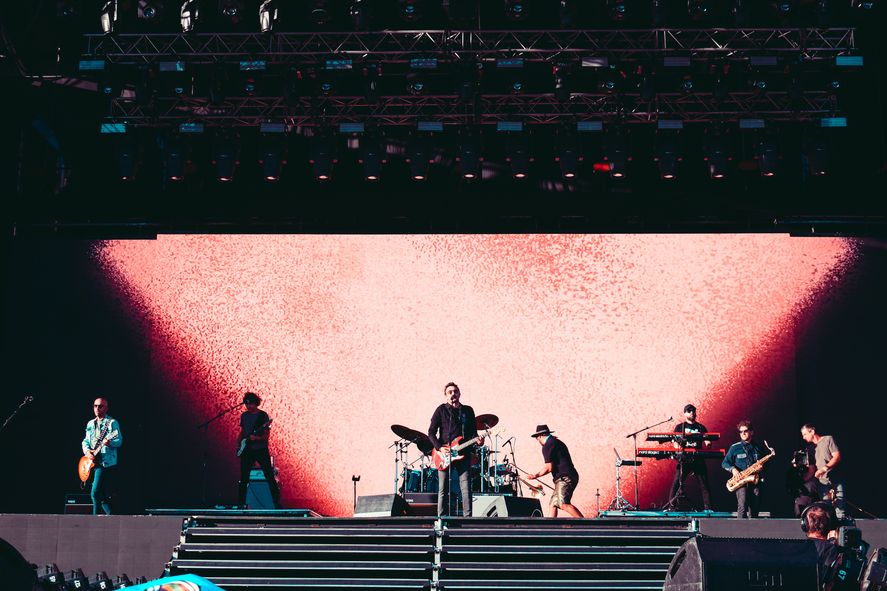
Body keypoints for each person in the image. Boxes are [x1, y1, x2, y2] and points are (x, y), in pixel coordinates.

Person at [428, 382, 482, 517]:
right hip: (444, 454)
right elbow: (431, 432)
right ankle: (441, 519)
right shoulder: (441, 410)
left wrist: (479, 441)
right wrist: (439, 448)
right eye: (450, 392)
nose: (453, 394)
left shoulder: (467, 411)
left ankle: (467, 519)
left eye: (455, 391)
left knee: (466, 488)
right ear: (446, 395)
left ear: (459, 393)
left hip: (463, 453)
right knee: (443, 489)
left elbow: (473, 433)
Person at [527, 424, 584, 517]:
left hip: (565, 478)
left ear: (541, 435)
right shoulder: (555, 442)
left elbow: (549, 467)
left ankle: (586, 526)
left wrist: (535, 475)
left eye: (537, 438)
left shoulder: (548, 445)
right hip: (567, 477)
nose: (537, 440)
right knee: (553, 504)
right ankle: (549, 529)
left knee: (563, 504)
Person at [237, 392, 282, 509]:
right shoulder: (244, 416)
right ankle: (240, 504)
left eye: (251, 404)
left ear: (256, 403)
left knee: (269, 476)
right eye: (246, 404)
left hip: (260, 449)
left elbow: (266, 436)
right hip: (247, 450)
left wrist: (256, 438)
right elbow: (242, 432)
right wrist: (239, 444)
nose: (248, 406)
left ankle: (276, 503)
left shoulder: (263, 416)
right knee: (244, 478)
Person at [665, 404, 712, 511]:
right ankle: (671, 507)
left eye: (693, 410)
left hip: (698, 458)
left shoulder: (701, 427)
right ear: (685, 413)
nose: (692, 412)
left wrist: (708, 442)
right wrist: (679, 448)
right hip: (684, 459)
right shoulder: (679, 427)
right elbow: (675, 443)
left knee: (704, 484)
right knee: (676, 482)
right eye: (689, 410)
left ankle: (708, 508)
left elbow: (708, 441)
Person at [81, 397, 123, 515]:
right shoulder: (90, 423)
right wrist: (87, 452)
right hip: (93, 461)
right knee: (102, 495)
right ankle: (112, 517)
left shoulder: (112, 423)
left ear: (106, 408)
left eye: (101, 406)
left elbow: (119, 441)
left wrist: (110, 442)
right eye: (95, 406)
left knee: (95, 492)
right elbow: (85, 441)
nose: (97, 408)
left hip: (105, 462)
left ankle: (95, 520)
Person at [721, 419, 768, 518]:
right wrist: (733, 469)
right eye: (741, 432)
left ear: (751, 432)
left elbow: (766, 464)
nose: (743, 433)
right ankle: (740, 532)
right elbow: (725, 463)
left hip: (755, 481)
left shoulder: (758, 448)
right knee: (742, 506)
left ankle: (752, 531)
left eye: (745, 431)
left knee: (755, 508)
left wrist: (762, 468)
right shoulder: (734, 448)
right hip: (741, 481)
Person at [801, 423, 845, 518]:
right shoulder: (810, 449)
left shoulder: (828, 439)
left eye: (805, 434)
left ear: (812, 431)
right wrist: (802, 481)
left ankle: (841, 532)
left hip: (836, 480)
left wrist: (824, 468)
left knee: (840, 510)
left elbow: (837, 456)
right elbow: (812, 470)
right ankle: (829, 532)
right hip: (823, 483)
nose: (803, 437)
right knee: (826, 511)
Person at [801, 502, 842, 587]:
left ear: (805, 525)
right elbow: (830, 583)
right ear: (831, 526)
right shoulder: (831, 549)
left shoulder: (799, 546)